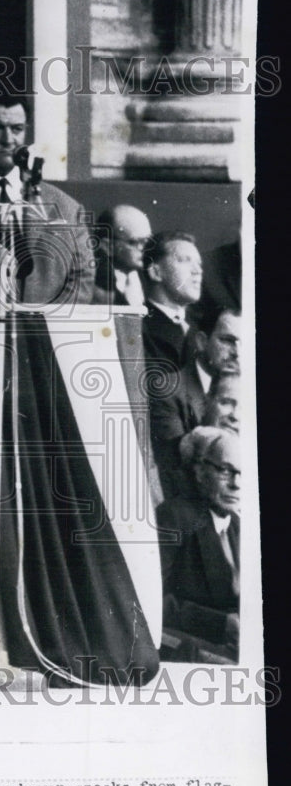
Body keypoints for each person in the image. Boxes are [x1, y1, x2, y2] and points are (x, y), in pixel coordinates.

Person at [0, 94, 95, 305]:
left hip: (40, 332)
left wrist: (40, 328)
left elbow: (82, 279)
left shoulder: (67, 208)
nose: (8, 140)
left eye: (17, 129)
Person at [157, 429, 240, 663]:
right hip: (191, 651)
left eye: (244, 473)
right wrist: (220, 624)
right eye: (226, 471)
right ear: (201, 473)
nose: (237, 484)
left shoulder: (239, 525)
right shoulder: (173, 517)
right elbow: (149, 601)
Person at [149, 308, 241, 497]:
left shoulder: (246, 385)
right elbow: (177, 467)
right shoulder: (167, 390)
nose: (238, 353)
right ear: (201, 341)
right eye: (227, 341)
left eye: (244, 343)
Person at [141, 231, 203, 369]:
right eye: (185, 260)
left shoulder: (203, 326)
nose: (198, 270)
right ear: (156, 272)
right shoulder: (139, 327)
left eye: (199, 263)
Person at [92, 204, 152, 306]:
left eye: (148, 240)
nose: (146, 248)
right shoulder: (90, 280)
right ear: (108, 245)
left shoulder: (154, 280)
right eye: (136, 242)